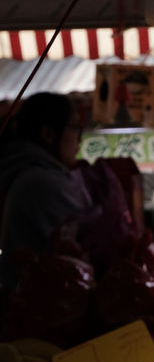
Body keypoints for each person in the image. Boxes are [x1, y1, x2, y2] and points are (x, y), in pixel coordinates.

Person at [0, 92, 92, 293]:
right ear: (48, 134)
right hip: (41, 310)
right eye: (75, 127)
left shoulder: (27, 172)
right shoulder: (42, 182)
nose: (79, 138)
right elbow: (86, 249)